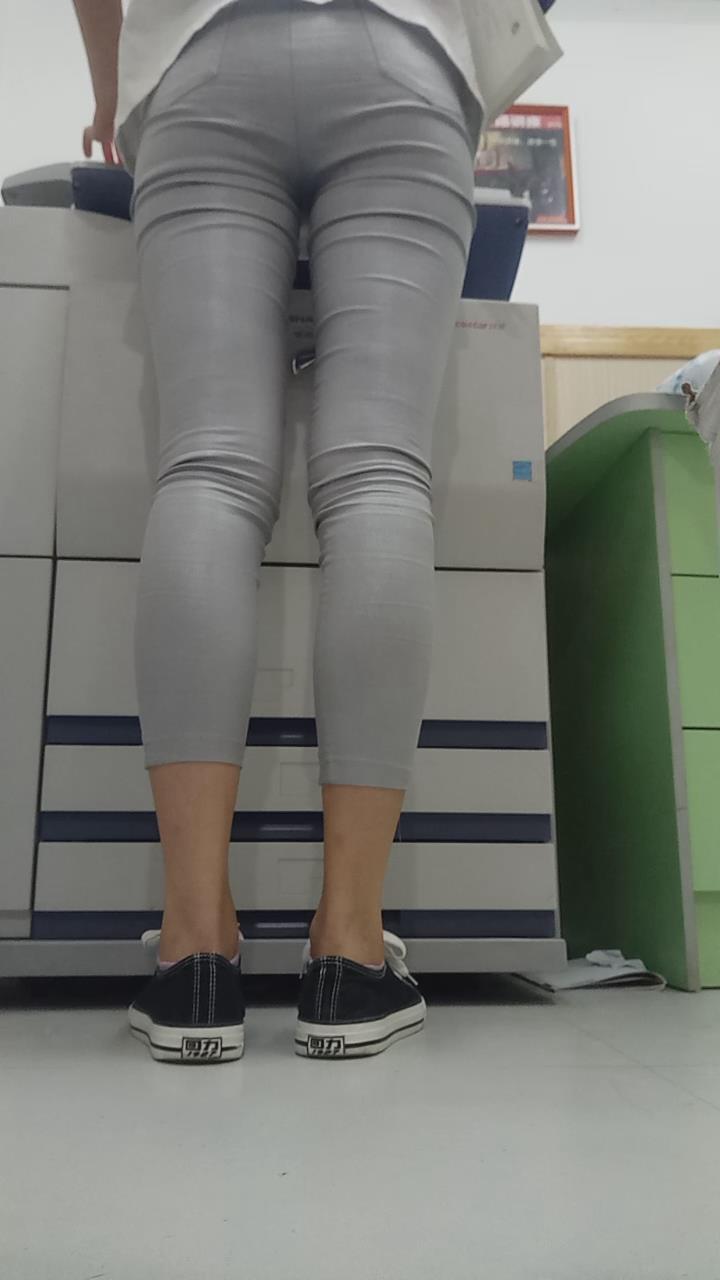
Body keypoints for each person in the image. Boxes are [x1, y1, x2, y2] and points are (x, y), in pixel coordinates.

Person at [72, 0, 486, 1064]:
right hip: (403, 57)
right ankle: (348, 951)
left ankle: (193, 956)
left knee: (209, 466)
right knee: (378, 472)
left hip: (205, 55)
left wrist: (112, 86)